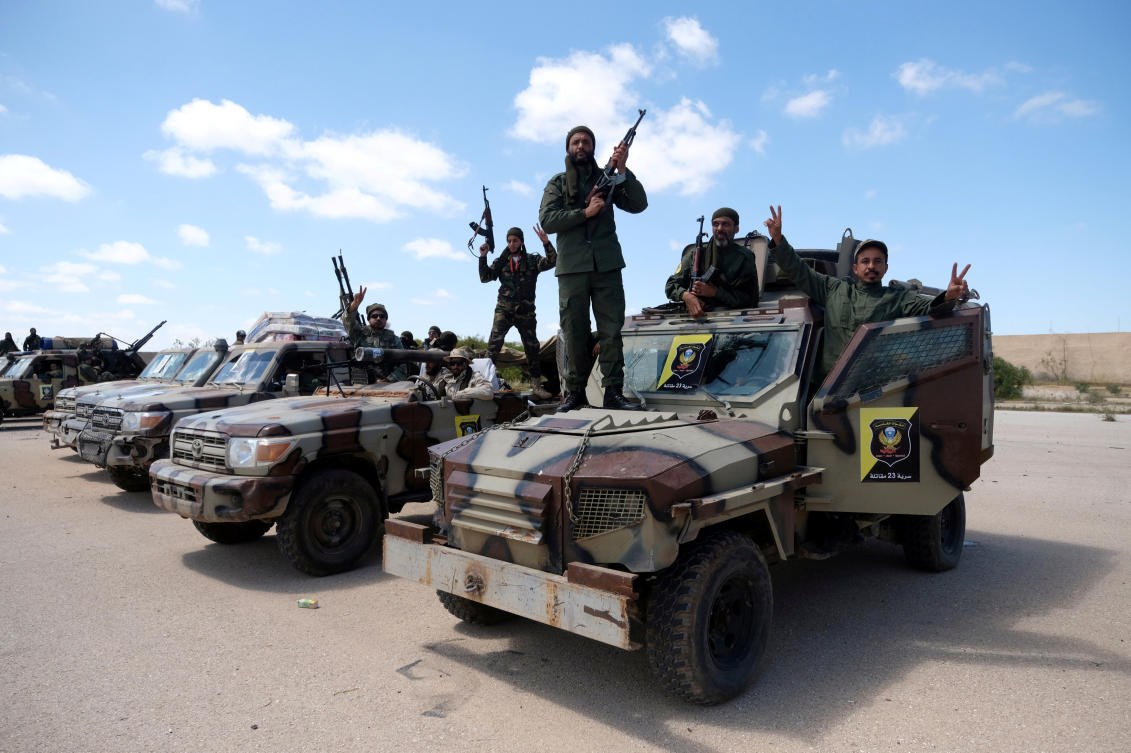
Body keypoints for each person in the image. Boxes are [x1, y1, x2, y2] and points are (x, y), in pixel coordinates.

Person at [763, 205, 971, 383]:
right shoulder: (834, 290)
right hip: (827, 388)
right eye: (865, 261)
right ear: (855, 268)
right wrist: (778, 239)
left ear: (886, 268)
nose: (871, 266)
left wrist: (949, 296)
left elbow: (929, 308)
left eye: (877, 261)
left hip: (869, 389)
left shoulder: (896, 298)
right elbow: (799, 271)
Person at [539, 124, 648, 411]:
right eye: (576, 142)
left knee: (611, 331)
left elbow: (639, 204)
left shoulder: (609, 179)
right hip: (572, 267)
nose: (581, 146)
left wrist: (623, 170)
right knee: (574, 331)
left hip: (606, 265)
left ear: (593, 148)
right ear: (568, 148)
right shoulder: (558, 183)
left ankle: (613, 392)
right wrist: (584, 213)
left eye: (586, 142)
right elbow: (548, 220)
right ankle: (575, 394)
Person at [479, 224, 556, 400]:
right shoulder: (501, 261)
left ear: (521, 241)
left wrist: (546, 243)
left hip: (525, 311)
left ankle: (536, 386)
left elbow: (552, 261)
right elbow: (485, 278)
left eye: (515, 240)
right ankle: (483, 383)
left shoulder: (531, 260)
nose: (512, 244)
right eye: (509, 241)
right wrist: (482, 257)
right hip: (504, 309)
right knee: (493, 345)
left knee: (532, 348)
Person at [665, 208, 760, 315]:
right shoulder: (696, 255)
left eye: (725, 224)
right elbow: (671, 285)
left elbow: (749, 299)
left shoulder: (745, 257)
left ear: (736, 229)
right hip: (698, 315)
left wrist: (715, 293)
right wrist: (686, 296)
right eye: (715, 224)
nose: (719, 228)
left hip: (733, 314)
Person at [341, 287, 408, 382]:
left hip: (388, 386)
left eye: (382, 316)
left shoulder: (394, 339)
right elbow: (347, 320)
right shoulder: (358, 334)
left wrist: (387, 380)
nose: (378, 318)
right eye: (374, 316)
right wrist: (354, 305)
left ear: (386, 319)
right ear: (369, 319)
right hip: (362, 383)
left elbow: (403, 364)